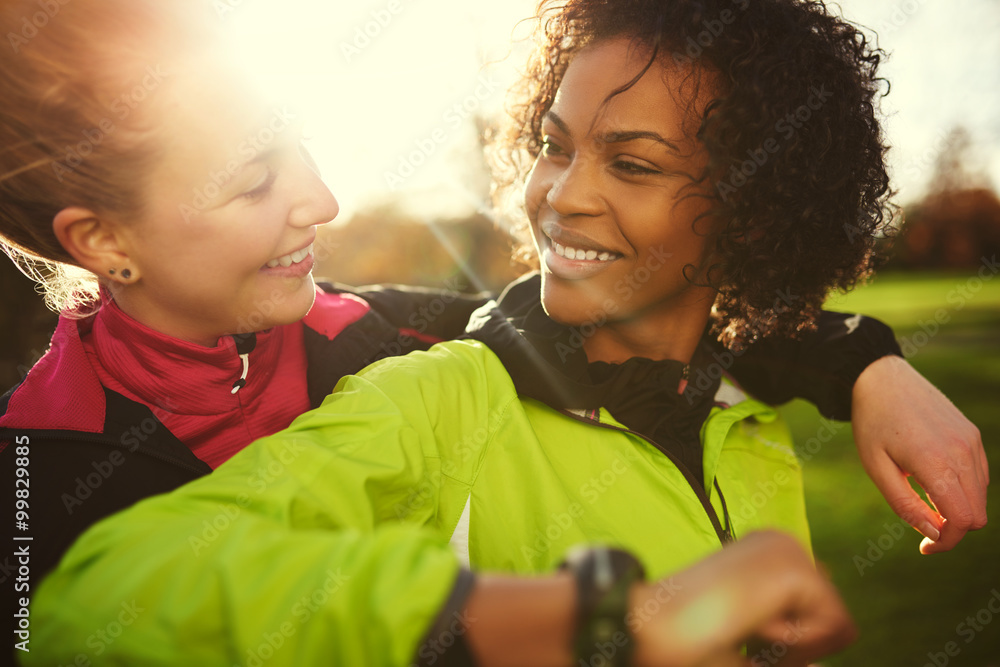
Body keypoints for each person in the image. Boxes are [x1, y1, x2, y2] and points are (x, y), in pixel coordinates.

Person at [16, 0, 989, 665]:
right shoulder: (427, 387)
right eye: (252, 180)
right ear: (103, 243)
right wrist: (605, 617)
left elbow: (622, 320)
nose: (322, 198)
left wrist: (863, 360)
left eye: (632, 163)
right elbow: (95, 597)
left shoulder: (377, 326)